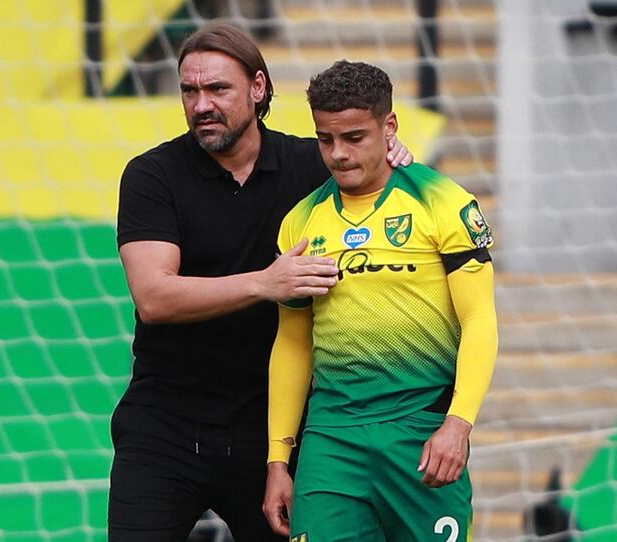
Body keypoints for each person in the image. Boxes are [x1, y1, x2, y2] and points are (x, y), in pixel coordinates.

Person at [111, 24, 412, 542]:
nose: (201, 104)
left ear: (258, 88)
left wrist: (391, 157)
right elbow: (154, 298)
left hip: (272, 429)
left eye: (218, 89)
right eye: (189, 90)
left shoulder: (310, 165)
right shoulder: (152, 175)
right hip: (165, 425)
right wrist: (263, 283)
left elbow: (378, 183)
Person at [263, 60, 498, 541]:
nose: (338, 154)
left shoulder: (444, 201)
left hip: (420, 433)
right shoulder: (300, 224)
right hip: (332, 440)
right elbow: (292, 343)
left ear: (389, 126)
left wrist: (458, 424)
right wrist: (278, 460)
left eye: (354, 138)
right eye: (325, 139)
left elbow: (480, 321)